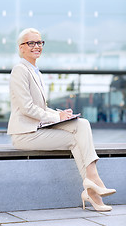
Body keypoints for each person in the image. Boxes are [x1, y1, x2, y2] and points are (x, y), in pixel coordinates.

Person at [7, 28, 116, 211]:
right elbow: (27, 109)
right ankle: (94, 185)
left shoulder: (34, 71)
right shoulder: (20, 70)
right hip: (25, 133)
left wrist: (60, 113)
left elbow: (41, 108)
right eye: (31, 43)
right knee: (78, 136)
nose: (37, 46)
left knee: (82, 124)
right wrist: (57, 117)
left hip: (37, 129)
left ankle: (92, 189)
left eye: (40, 42)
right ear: (21, 48)